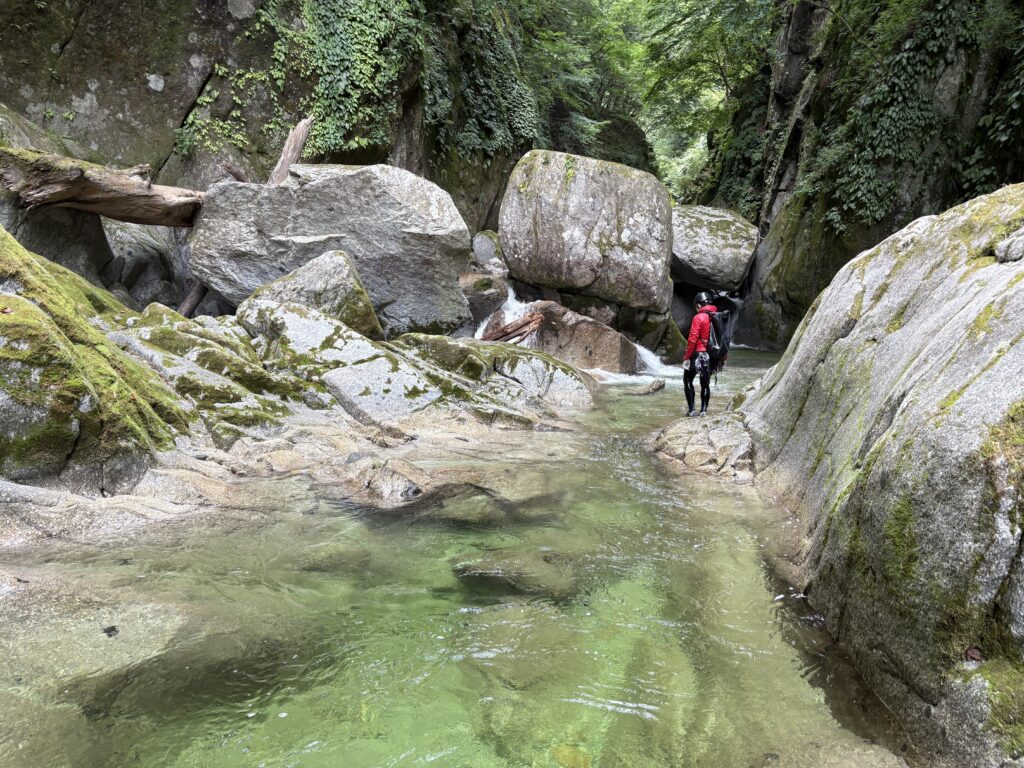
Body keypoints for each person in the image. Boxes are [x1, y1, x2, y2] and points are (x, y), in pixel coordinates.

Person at [683, 292, 717, 417]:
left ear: (698, 305)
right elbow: (723, 338)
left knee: (687, 379)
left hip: (698, 354)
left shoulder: (699, 317)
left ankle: (691, 410)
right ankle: (703, 411)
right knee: (705, 384)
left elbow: (692, 339)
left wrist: (687, 357)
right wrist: (723, 358)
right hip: (711, 356)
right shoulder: (717, 316)